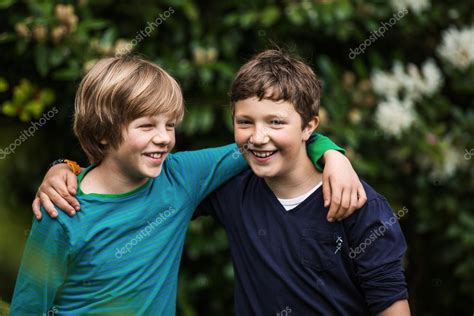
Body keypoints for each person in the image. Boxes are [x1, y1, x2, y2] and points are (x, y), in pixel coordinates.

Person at [12, 55, 366, 315]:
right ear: (103, 132)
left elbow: (263, 141)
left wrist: (333, 155)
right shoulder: (62, 210)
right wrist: (63, 167)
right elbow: (29, 307)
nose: (165, 139)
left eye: (170, 125)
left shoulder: (180, 177)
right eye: (147, 126)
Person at [195, 49, 411, 315]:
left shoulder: (357, 202)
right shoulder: (230, 190)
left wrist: (333, 155)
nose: (259, 136)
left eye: (276, 122)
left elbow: (390, 305)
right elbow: (162, 179)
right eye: (245, 122)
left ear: (309, 127)